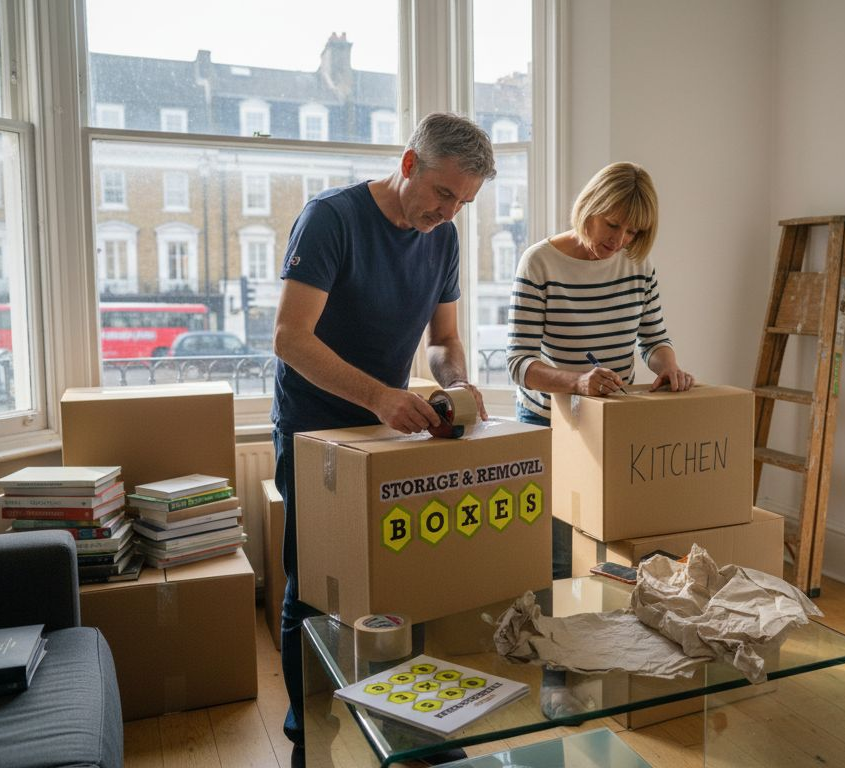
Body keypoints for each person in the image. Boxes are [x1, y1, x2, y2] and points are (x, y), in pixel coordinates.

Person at [271, 112, 495, 751]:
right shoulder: (331, 219)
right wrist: (378, 398)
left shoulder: (443, 239)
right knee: (315, 591)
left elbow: (445, 341)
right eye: (442, 193)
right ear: (408, 166)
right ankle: (308, 736)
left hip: (387, 430)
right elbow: (290, 338)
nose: (448, 212)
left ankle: (407, 728)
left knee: (402, 585)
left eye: (464, 201)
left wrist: (455, 382)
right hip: (316, 430)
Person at [506, 161, 693, 581]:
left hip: (614, 425)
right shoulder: (539, 263)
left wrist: (671, 368)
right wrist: (576, 382)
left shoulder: (638, 266)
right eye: (612, 225)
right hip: (550, 425)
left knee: (614, 555)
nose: (620, 240)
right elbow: (518, 363)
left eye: (634, 233)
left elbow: (653, 338)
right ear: (588, 206)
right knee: (558, 559)